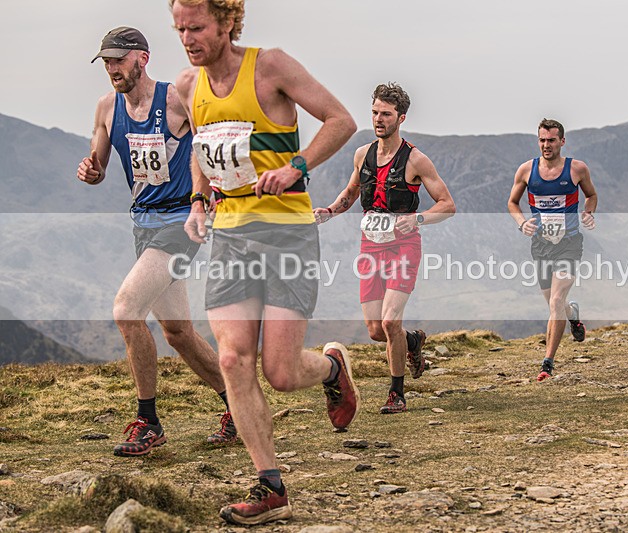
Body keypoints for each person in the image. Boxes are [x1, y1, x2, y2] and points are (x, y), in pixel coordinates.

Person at [169, 0, 359, 525]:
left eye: (197, 27)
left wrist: (296, 167)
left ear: (227, 22)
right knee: (232, 359)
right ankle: (271, 486)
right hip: (231, 237)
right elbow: (203, 148)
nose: (187, 37)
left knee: (280, 371)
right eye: (179, 28)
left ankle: (331, 367)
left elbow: (342, 120)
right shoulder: (188, 85)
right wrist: (197, 200)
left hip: (288, 235)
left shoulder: (270, 66)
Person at [76, 26, 236, 457]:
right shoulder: (107, 107)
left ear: (141, 59)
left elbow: (212, 142)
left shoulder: (174, 99)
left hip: (183, 222)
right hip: (144, 225)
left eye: (118, 60)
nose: (112, 69)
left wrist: (214, 193)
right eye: (106, 62)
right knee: (179, 332)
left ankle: (148, 422)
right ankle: (238, 406)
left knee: (127, 310)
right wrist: (90, 172)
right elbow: (100, 165)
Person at [315, 83, 456, 414]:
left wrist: (418, 219)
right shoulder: (361, 154)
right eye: (375, 113)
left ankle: (396, 394)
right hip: (370, 247)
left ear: (400, 117)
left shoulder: (417, 160)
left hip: (404, 247)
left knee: (391, 321)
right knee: (376, 329)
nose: (379, 119)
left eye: (386, 114)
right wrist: (331, 210)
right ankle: (412, 342)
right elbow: (352, 191)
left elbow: (448, 204)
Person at [507, 118, 597, 381]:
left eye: (552, 140)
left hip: (569, 244)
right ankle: (573, 315)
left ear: (562, 141)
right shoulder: (526, 171)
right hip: (541, 245)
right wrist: (522, 223)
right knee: (554, 304)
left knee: (556, 301)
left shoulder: (576, 169)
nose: (546, 145)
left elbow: (591, 195)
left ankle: (547, 363)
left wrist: (588, 213)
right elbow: (512, 203)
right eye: (542, 140)